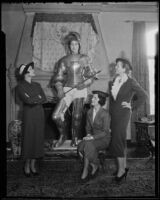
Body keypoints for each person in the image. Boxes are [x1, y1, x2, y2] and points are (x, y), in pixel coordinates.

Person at [51, 31, 98, 147]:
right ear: (69, 46)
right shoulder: (63, 60)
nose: (74, 47)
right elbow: (58, 77)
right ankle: (62, 136)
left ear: (79, 45)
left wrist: (85, 83)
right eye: (72, 44)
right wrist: (60, 90)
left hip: (80, 89)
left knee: (77, 116)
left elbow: (91, 76)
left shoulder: (84, 58)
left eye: (76, 44)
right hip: (67, 88)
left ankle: (75, 138)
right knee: (56, 116)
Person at [108, 58, 148, 182]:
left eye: (118, 66)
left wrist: (132, 105)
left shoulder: (130, 81)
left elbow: (144, 95)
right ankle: (123, 167)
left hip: (123, 114)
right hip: (114, 114)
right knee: (120, 140)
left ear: (124, 68)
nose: (115, 67)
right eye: (115, 66)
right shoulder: (114, 80)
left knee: (117, 141)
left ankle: (121, 171)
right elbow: (112, 100)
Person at [16, 62, 47, 177]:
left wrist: (34, 98)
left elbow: (43, 98)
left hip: (39, 113)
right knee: (29, 138)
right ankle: (27, 165)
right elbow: (27, 100)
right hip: (29, 115)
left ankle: (34, 164)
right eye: (31, 69)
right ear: (26, 73)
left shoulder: (37, 85)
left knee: (37, 138)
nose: (33, 70)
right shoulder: (20, 87)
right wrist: (36, 98)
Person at [77, 90, 111, 181]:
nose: (92, 99)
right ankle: (95, 164)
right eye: (92, 97)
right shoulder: (89, 112)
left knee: (88, 145)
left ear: (100, 101)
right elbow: (87, 127)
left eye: (94, 98)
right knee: (80, 147)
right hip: (92, 138)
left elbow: (105, 132)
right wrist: (88, 134)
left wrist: (91, 137)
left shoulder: (105, 114)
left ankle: (85, 169)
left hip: (104, 139)